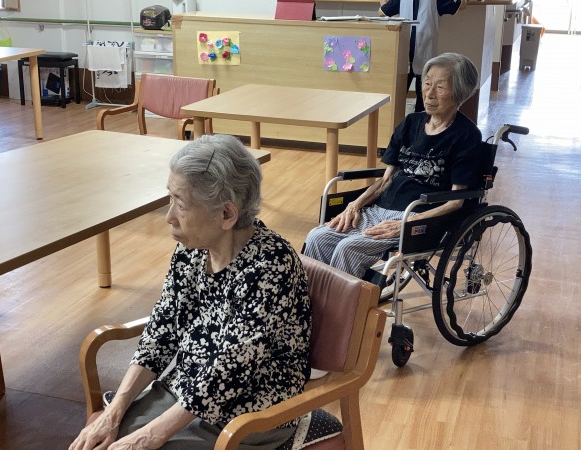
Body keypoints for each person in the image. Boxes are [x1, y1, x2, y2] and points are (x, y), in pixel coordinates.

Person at [70, 134, 311, 450]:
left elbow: (229, 373)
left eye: (180, 204)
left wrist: (150, 435)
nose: (169, 217)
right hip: (187, 390)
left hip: (251, 412)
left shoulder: (271, 265)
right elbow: (162, 331)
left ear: (227, 214)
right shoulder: (192, 250)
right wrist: (114, 412)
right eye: (170, 199)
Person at [303, 52, 482, 280]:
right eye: (427, 83)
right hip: (379, 209)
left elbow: (456, 201)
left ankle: (343, 302)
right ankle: (309, 299)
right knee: (318, 237)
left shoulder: (466, 136)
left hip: (418, 217)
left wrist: (406, 223)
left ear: (458, 93)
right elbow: (385, 180)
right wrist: (354, 205)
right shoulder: (410, 123)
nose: (429, 93)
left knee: (348, 248)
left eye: (440, 87)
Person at [379, 0, 464, 112]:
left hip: (409, 52)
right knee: (423, 97)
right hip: (423, 52)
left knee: (400, 96)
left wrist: (383, 2)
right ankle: (419, 120)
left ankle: (400, 120)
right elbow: (459, 5)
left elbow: (382, 12)